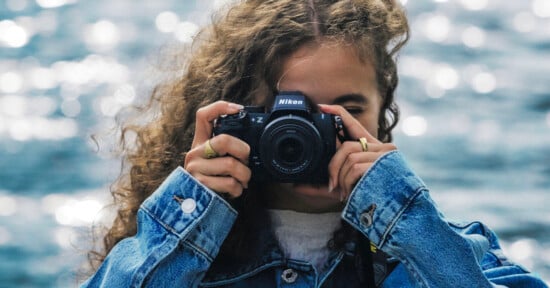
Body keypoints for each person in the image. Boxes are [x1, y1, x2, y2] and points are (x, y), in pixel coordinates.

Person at [82, 0, 548, 287]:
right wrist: (189, 213)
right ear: (239, 118)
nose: (313, 136)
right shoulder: (181, 256)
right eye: (292, 115)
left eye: (346, 111)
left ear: (383, 112)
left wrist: (399, 210)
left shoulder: (442, 248)